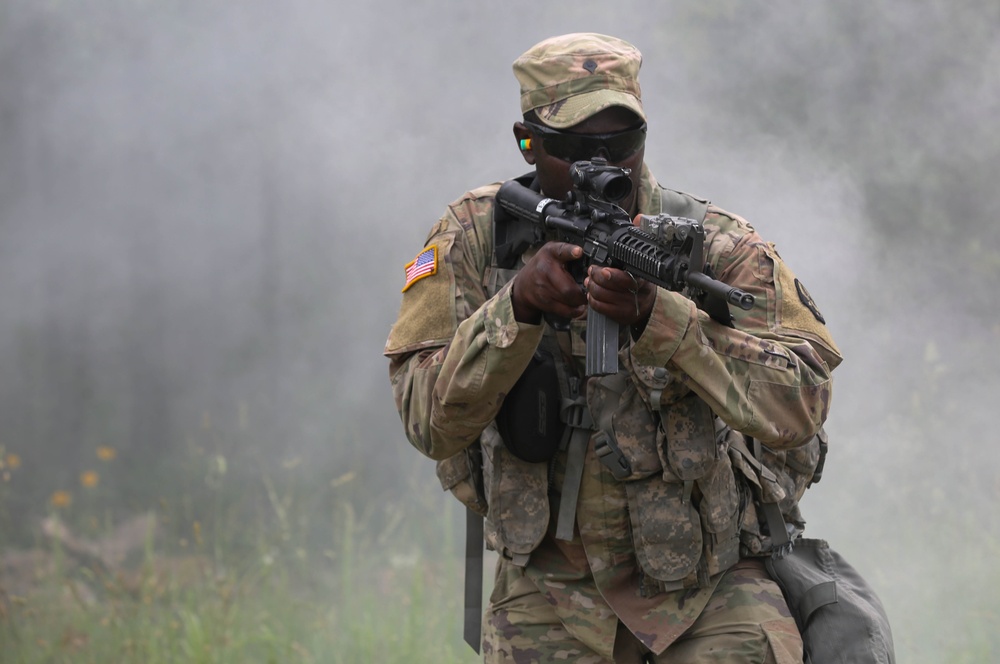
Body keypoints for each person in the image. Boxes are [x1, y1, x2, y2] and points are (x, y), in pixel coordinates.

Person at [384, 32, 842, 663]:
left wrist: (667, 322)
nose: (605, 167)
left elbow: (801, 404)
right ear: (529, 142)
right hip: (549, 591)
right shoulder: (472, 238)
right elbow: (426, 421)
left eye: (621, 145)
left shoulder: (715, 245)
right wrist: (515, 309)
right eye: (575, 148)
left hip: (709, 588)